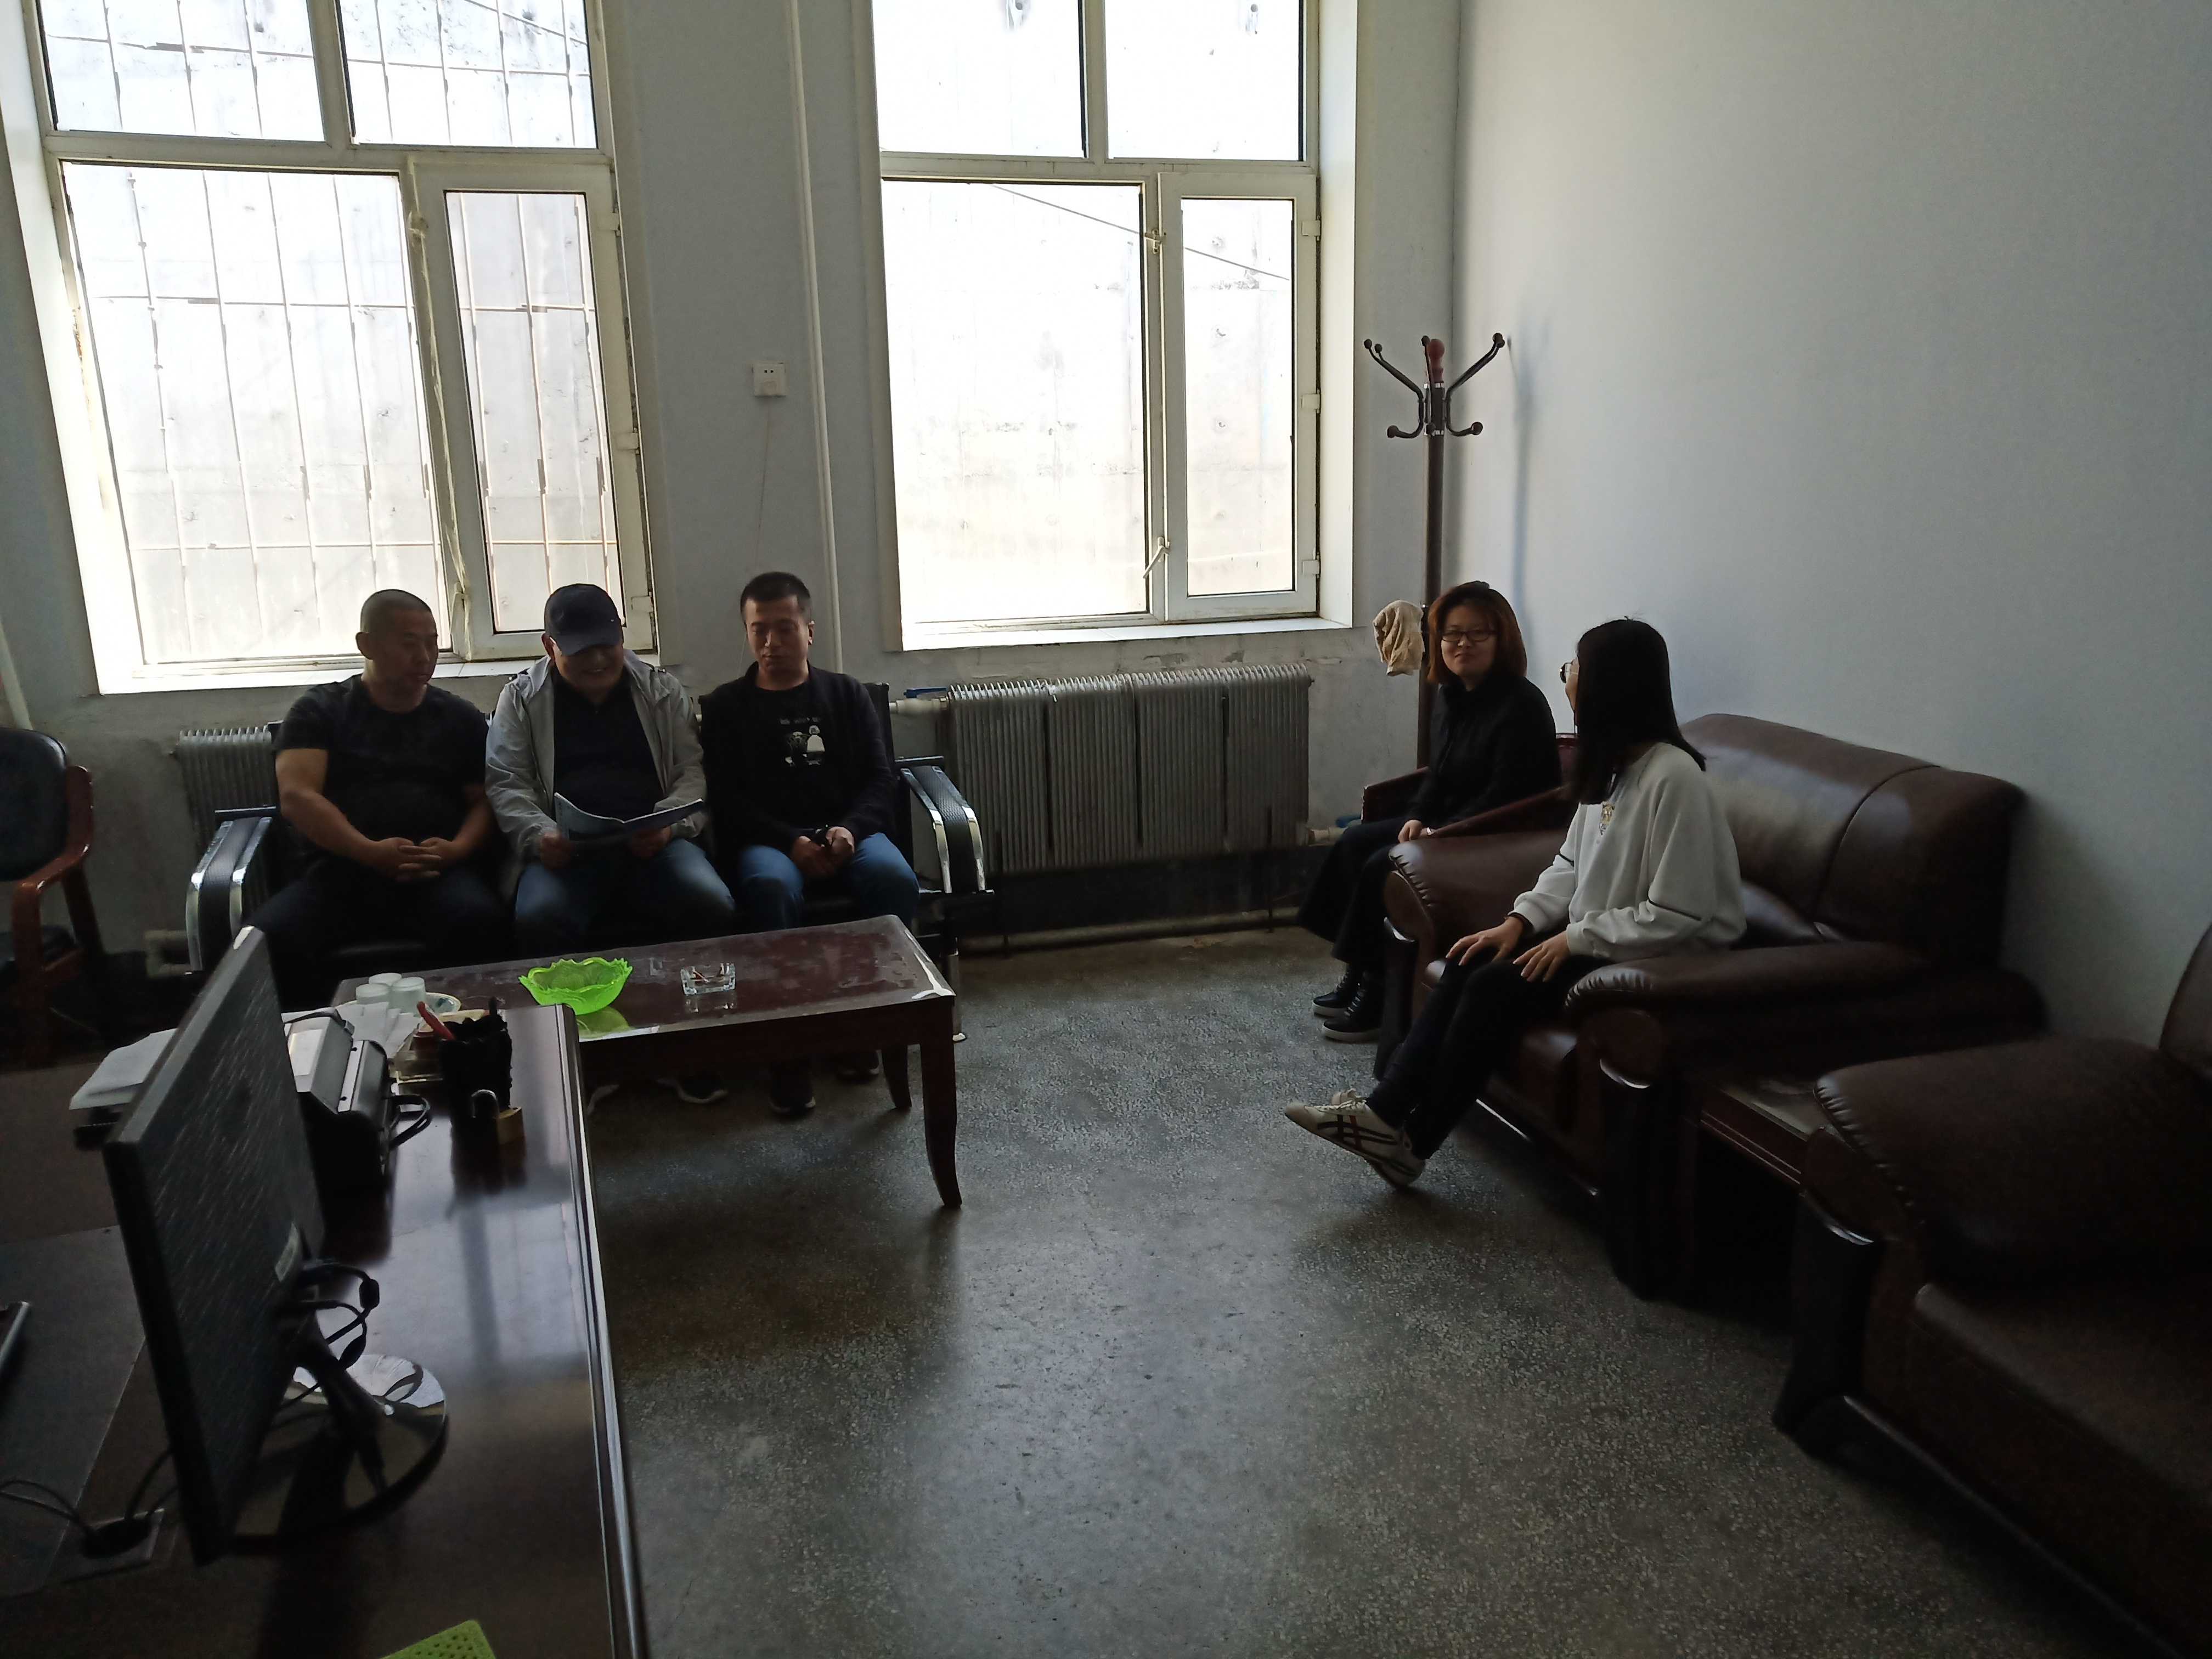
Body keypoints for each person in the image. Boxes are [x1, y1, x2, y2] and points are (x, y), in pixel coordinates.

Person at [1286, 619, 1744, 1187]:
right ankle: (1384, 1118)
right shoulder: (1614, 768)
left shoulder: (1674, 779)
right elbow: (1569, 864)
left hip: (1655, 959)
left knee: (1492, 987)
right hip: (1605, 940)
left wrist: (1574, 938)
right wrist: (1519, 921)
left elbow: (1682, 914)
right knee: (1473, 955)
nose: (1567, 677)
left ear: (1609, 684)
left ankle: (1411, 1142)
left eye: (1575, 668)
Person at [698, 571, 920, 1118]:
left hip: (849, 832)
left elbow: (881, 779)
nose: (772, 643)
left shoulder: (846, 695)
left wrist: (850, 829)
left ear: (810, 631)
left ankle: (870, 1029)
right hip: (770, 841)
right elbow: (726, 799)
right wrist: (790, 840)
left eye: (785, 629)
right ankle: (789, 1050)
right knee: (769, 887)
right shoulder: (726, 707)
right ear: (747, 634)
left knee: (894, 879)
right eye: (759, 630)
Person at [1298, 580, 1560, 1042]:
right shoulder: (1452, 694)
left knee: (1382, 862)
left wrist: (1441, 832)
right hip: (1446, 823)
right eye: (1452, 634)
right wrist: (1418, 817)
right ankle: (1360, 968)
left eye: (1477, 634)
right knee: (1356, 841)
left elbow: (1506, 797)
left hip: (1494, 833)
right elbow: (1437, 775)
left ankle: (1377, 993)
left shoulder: (1522, 705)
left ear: (1502, 639)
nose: (1462, 644)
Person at [253, 590, 506, 1007]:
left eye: (432, 643)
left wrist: (457, 850)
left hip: (436, 871)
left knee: (483, 924)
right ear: (366, 645)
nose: (424, 656)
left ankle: (465, 1035)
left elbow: (485, 801)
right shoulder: (320, 711)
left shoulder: (459, 718)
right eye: (408, 644)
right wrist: (369, 852)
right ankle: (310, 1042)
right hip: (340, 871)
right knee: (265, 943)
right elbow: (297, 797)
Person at [484, 583, 738, 963]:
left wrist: (668, 827)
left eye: (607, 645)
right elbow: (508, 783)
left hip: (656, 845)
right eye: (581, 651)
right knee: (540, 917)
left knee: (709, 901)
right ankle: (567, 1004)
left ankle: (695, 999)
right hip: (565, 853)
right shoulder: (522, 699)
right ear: (550, 647)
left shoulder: (661, 692)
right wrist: (540, 835)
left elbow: (690, 771)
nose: (598, 660)